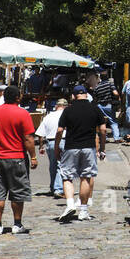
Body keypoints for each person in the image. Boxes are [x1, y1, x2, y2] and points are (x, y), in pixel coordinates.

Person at [0, 85, 38, 235]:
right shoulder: (23, 114)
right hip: (17, 157)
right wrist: (33, 156)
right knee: (17, 192)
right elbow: (28, 138)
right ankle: (17, 224)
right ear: (18, 97)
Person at [55, 84, 108, 221]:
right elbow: (102, 130)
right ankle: (83, 210)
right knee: (86, 177)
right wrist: (102, 148)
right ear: (86, 94)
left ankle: (70, 204)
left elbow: (60, 130)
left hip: (71, 146)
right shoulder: (95, 109)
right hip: (89, 147)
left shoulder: (68, 110)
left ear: (73, 96)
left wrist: (56, 147)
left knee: (67, 177)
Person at [35, 95, 68, 197]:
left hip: (50, 142)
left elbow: (40, 134)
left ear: (56, 106)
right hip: (63, 141)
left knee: (53, 166)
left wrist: (41, 146)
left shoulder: (48, 116)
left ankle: (53, 187)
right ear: (66, 106)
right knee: (61, 165)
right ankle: (58, 189)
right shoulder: (67, 115)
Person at [92, 70, 121, 141]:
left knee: (102, 122)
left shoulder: (97, 87)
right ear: (107, 77)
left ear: (100, 78)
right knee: (113, 121)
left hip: (100, 106)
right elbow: (116, 93)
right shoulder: (110, 84)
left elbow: (95, 98)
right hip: (109, 105)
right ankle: (116, 138)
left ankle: (104, 138)